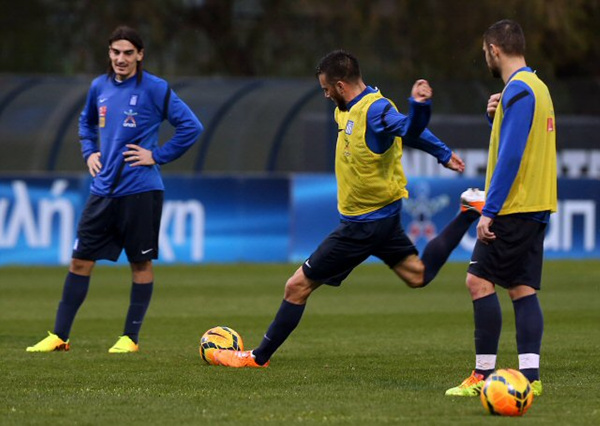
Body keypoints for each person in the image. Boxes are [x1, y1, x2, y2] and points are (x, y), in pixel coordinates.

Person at [211, 50, 484, 368]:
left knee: (296, 286)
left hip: (362, 226)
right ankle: (467, 211)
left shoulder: (376, 111)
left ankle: (257, 358)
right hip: (382, 220)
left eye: (326, 89)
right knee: (418, 275)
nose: (325, 95)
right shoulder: (346, 109)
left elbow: (408, 129)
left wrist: (424, 115)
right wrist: (442, 151)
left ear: (340, 85)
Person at [26, 26, 203, 354]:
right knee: (79, 261)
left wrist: (157, 155)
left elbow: (191, 126)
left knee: (140, 264)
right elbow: (85, 123)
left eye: (127, 53)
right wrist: (89, 152)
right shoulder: (99, 86)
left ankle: (130, 338)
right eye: (115, 52)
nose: (120, 59)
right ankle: (59, 335)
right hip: (103, 190)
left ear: (140, 55)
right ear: (109, 54)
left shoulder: (155, 88)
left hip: (141, 191)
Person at [445, 19, 556, 397]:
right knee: (522, 289)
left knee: (477, 281)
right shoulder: (536, 87)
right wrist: (496, 117)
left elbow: (511, 156)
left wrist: (489, 210)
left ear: (494, 49)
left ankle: (481, 376)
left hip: (513, 206)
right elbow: (523, 139)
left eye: (484, 52)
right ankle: (531, 377)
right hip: (537, 203)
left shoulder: (519, 91)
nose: (485, 59)